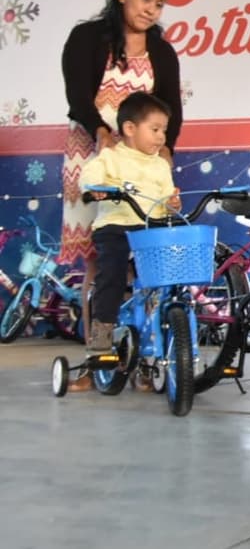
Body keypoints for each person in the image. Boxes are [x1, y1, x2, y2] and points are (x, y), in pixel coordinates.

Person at [60, 0, 180, 391]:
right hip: (93, 155)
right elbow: (77, 95)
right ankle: (97, 360)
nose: (151, 9)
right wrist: (101, 132)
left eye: (159, 4)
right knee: (101, 260)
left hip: (143, 164)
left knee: (145, 263)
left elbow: (170, 109)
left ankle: (143, 360)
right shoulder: (87, 37)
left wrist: (166, 149)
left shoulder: (161, 51)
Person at [77, 93, 179, 380]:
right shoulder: (111, 157)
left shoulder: (160, 164)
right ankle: (102, 333)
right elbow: (89, 175)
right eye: (155, 129)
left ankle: (160, 333)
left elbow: (166, 197)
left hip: (151, 228)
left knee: (163, 282)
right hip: (116, 226)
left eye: (164, 131)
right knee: (111, 274)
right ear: (130, 128)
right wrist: (95, 188)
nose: (161, 137)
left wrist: (172, 202)